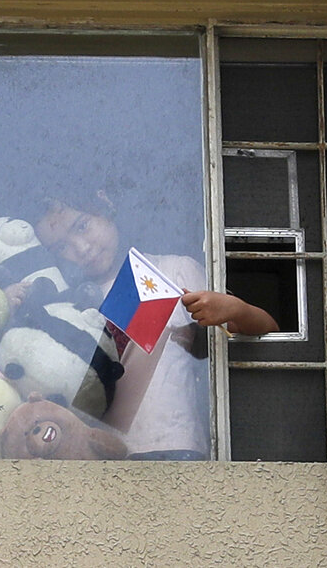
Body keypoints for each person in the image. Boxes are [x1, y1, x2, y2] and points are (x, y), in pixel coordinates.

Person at [34, 190, 277, 460]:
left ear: (105, 203)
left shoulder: (172, 272)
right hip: (105, 464)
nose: (80, 248)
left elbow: (267, 331)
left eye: (82, 225)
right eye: (61, 247)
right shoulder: (66, 308)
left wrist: (234, 308)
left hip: (179, 450)